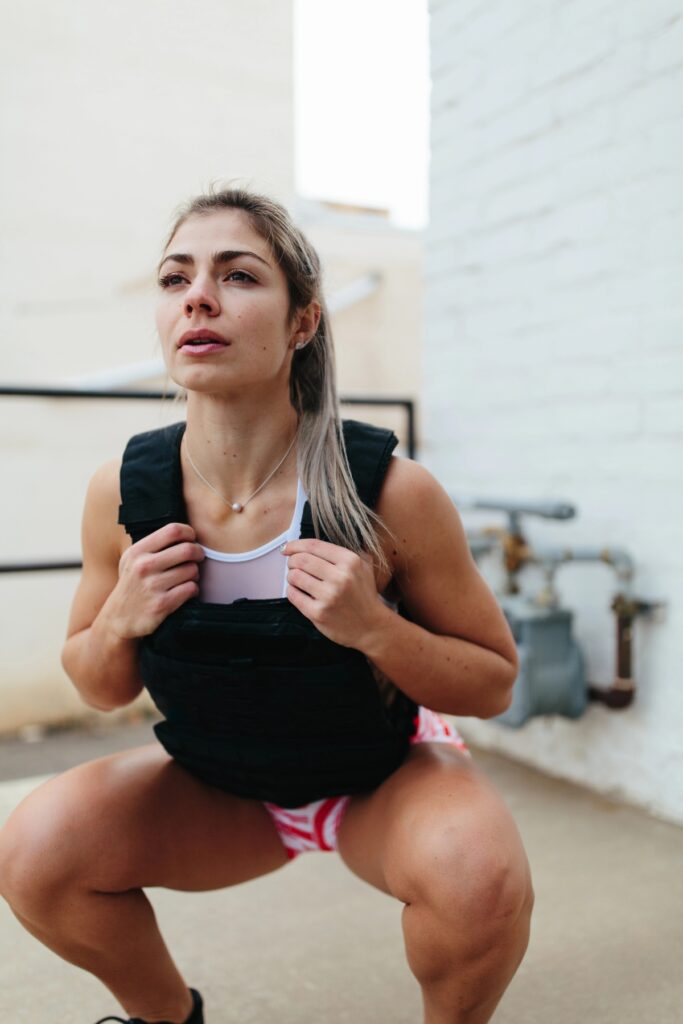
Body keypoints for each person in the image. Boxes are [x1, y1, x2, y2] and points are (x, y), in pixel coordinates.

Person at [0, 187, 533, 1024]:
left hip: (380, 785)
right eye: (175, 279)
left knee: (477, 876)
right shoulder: (123, 490)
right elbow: (99, 684)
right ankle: (167, 1020)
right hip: (221, 794)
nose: (197, 297)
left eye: (237, 276)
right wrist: (120, 619)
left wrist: (375, 628)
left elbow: (494, 684)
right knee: (35, 850)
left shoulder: (391, 493)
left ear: (302, 322)